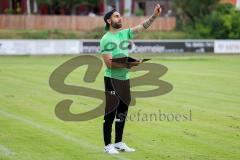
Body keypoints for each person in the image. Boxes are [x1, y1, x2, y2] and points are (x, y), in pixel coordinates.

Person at [99, 4, 162, 154]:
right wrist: (129, 64)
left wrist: (154, 16)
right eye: (116, 16)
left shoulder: (123, 34)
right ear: (109, 21)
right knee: (110, 113)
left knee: (122, 112)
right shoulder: (105, 39)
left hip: (124, 79)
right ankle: (108, 145)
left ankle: (119, 142)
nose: (120, 18)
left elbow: (141, 27)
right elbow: (109, 63)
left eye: (120, 15)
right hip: (112, 79)